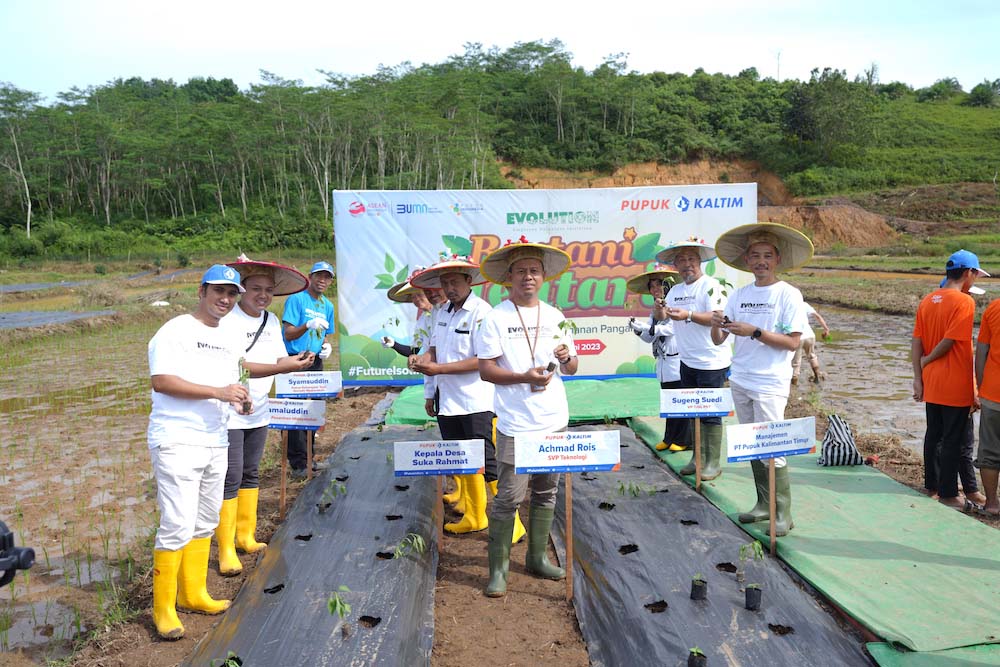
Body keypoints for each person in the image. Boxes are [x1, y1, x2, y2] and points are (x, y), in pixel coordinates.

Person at [146, 264, 250, 640]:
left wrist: (239, 399)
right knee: (176, 522)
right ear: (202, 291)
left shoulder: (230, 338)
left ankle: (194, 593)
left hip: (214, 439)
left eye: (232, 294)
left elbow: (232, 383)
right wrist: (219, 392)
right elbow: (162, 382)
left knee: (205, 519)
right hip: (177, 440)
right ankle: (164, 609)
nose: (225, 299)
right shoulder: (175, 330)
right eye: (219, 291)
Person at [476, 239, 578, 598]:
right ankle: (499, 570)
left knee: (547, 490)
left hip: (553, 420)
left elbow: (574, 368)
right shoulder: (495, 318)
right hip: (516, 423)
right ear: (509, 277)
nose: (528, 277)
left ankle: (536, 558)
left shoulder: (556, 316)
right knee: (509, 496)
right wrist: (524, 377)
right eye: (521, 271)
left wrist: (567, 358)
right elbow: (486, 371)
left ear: (544, 275)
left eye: (534, 270)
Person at [411, 254, 525, 541]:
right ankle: (475, 516)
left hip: (477, 401)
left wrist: (436, 368)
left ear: (468, 281)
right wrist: (422, 360)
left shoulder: (482, 312)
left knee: (488, 462)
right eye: (445, 282)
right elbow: (434, 350)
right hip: (448, 401)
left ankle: (514, 523)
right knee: (462, 460)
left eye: (454, 281)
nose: (449, 287)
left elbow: (483, 360)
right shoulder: (443, 313)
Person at [215, 258, 317, 576]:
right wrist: (282, 367)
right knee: (230, 477)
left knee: (251, 472)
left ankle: (246, 535)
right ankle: (226, 548)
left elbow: (276, 357)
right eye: (255, 289)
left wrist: (298, 359)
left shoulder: (270, 321)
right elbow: (240, 365)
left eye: (268, 290)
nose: (262, 295)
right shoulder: (226, 320)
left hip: (258, 408)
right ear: (241, 290)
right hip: (229, 411)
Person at [711, 223, 813, 536]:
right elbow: (718, 339)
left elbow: (793, 342)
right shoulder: (739, 295)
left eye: (767, 256)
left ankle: (783, 513)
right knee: (752, 443)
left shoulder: (788, 294)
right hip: (740, 377)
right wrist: (717, 324)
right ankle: (762, 504)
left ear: (777, 260)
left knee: (772, 444)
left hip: (770, 381)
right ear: (746, 260)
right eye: (755, 256)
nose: (760, 261)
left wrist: (754, 332)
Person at [911, 250, 986, 510]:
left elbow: (916, 341)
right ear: (969, 273)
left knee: (934, 434)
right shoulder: (965, 302)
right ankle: (948, 495)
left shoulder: (928, 300)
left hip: (931, 381)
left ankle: (932, 486)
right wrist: (929, 359)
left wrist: (918, 375)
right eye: (975, 275)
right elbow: (951, 340)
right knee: (954, 439)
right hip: (954, 380)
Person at [657, 237, 732, 479]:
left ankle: (712, 463)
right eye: (681, 260)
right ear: (675, 266)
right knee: (692, 409)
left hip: (712, 361)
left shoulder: (713, 286)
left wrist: (688, 314)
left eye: (691, 259)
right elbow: (663, 316)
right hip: (686, 361)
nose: (687, 264)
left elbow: (717, 317)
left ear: (700, 261)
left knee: (710, 413)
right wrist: (659, 308)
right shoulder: (676, 290)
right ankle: (696, 458)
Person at [626, 264, 691, 455]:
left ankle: (684, 440)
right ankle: (669, 437)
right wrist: (638, 329)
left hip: (677, 361)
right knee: (669, 404)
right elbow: (649, 337)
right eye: (652, 286)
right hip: (663, 363)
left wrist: (651, 329)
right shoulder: (654, 312)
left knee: (681, 402)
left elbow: (672, 329)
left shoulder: (677, 305)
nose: (656, 289)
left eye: (660, 284)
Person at [281, 261, 336, 479]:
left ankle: (310, 458)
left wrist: (324, 347)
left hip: (314, 362)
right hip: (295, 360)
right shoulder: (297, 299)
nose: (322, 280)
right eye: (319, 276)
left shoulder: (328, 306)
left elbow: (325, 333)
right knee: (296, 412)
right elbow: (288, 334)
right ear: (310, 277)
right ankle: (297, 464)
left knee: (312, 411)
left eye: (327, 277)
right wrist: (307, 325)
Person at [975, 293, 1000, 516]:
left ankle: (992, 503)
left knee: (990, 451)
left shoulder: (994, 308)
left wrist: (982, 388)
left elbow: (981, 351)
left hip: (993, 393)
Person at [791, 302, 830, 385]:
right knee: (812, 356)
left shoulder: (787, 304)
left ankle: (793, 386)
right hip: (810, 335)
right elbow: (818, 316)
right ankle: (817, 377)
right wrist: (826, 329)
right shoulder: (804, 304)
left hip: (797, 336)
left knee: (796, 362)